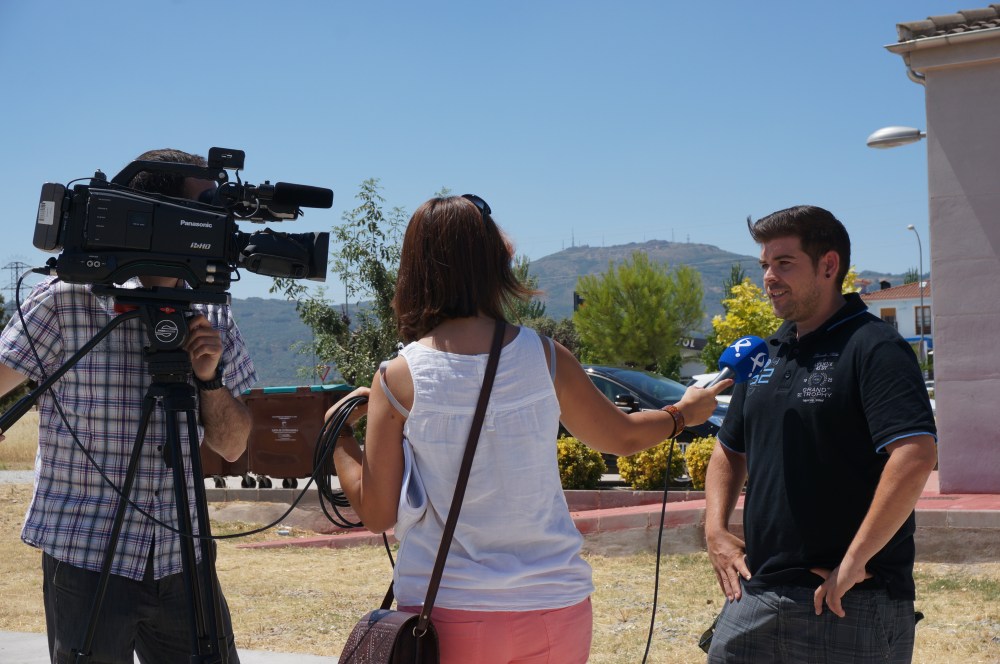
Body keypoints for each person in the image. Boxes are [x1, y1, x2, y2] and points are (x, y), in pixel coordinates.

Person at [327, 194, 731, 664]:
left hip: (449, 616)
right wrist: (682, 413)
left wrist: (338, 438)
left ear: (415, 268)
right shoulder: (545, 356)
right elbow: (621, 436)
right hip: (556, 609)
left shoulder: (397, 378)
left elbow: (378, 514)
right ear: (491, 263)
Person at [0, 149, 257, 664]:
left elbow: (232, 446)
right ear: (162, 215)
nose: (216, 220)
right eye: (204, 205)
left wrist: (209, 380)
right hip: (86, 553)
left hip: (181, 556)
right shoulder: (67, 298)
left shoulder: (210, 309)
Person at [703, 205, 938, 663]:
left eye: (784, 263)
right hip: (755, 595)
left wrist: (854, 561)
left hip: (848, 599)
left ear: (829, 266)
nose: (769, 278)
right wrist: (715, 530)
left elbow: (915, 454)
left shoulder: (875, 346)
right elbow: (729, 450)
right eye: (765, 265)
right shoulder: (765, 353)